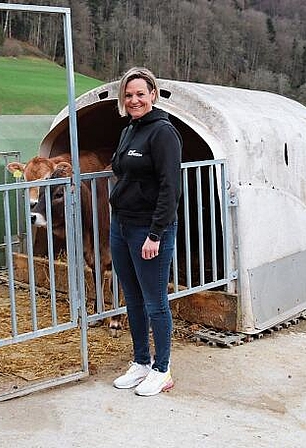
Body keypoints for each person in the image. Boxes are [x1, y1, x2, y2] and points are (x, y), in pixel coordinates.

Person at [109, 67, 182, 396]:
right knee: (133, 297)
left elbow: (170, 188)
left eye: (140, 93)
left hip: (149, 229)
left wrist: (155, 234)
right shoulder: (129, 130)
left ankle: (162, 368)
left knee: (155, 301)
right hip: (121, 225)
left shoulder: (163, 133)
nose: (134, 99)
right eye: (128, 95)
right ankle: (140, 362)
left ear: (153, 94)